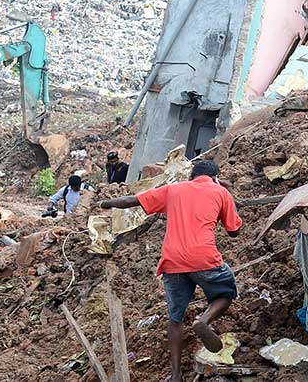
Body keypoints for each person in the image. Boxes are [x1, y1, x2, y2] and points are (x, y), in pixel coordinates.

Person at [99, 160, 242, 382]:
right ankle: (203, 321)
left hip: (172, 261)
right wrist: (228, 196)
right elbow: (234, 231)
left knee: (175, 318)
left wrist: (106, 203)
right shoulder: (220, 191)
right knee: (225, 293)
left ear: (192, 176)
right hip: (203, 257)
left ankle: (175, 375)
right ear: (215, 177)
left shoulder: (174, 190)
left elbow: (133, 200)